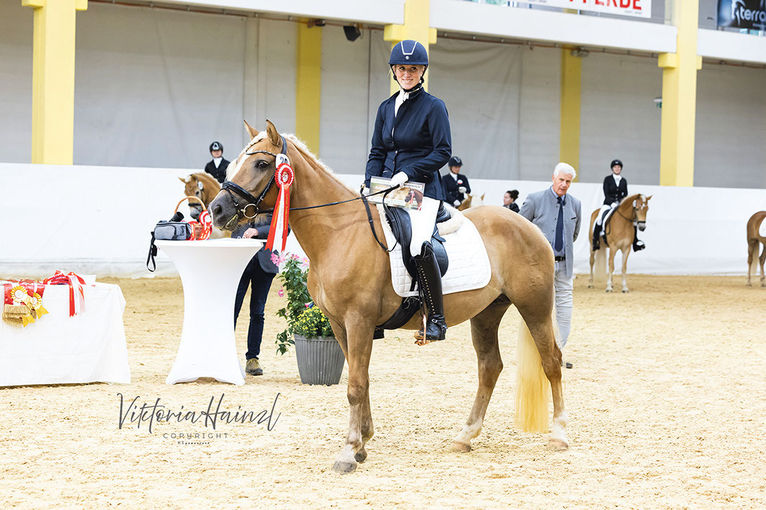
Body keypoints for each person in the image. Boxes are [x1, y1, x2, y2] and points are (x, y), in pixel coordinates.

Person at [365, 39, 452, 342]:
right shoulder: (386, 108)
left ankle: (437, 319)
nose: (407, 73)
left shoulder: (434, 107)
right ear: (394, 70)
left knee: (417, 245)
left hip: (422, 189)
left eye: (413, 68)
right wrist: (369, 182)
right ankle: (373, 313)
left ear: (422, 71)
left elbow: (443, 152)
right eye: (402, 68)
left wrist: (408, 172)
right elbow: (377, 150)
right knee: (366, 234)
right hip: (387, 187)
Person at [519, 163, 581, 368]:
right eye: (561, 180)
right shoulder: (534, 200)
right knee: (539, 309)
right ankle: (538, 353)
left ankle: (558, 352)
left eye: (568, 181)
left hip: (564, 265)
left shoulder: (576, 204)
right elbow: (518, 229)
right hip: (538, 267)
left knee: (565, 308)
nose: (564, 184)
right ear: (553, 178)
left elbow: (574, 234)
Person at [232, 213, 278, 376]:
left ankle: (252, 358)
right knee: (232, 310)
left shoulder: (276, 203)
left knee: (258, 313)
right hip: (239, 262)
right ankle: (227, 354)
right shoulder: (240, 202)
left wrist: (257, 232)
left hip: (264, 263)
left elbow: (283, 228)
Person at [592, 159, 645, 252]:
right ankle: (595, 240)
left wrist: (622, 203)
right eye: (615, 167)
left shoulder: (623, 181)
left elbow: (626, 195)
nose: (617, 169)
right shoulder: (607, 179)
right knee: (600, 218)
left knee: (633, 219)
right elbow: (606, 193)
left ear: (621, 169)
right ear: (612, 168)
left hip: (620, 205)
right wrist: (612, 202)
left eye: (619, 167)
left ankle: (635, 241)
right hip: (608, 204)